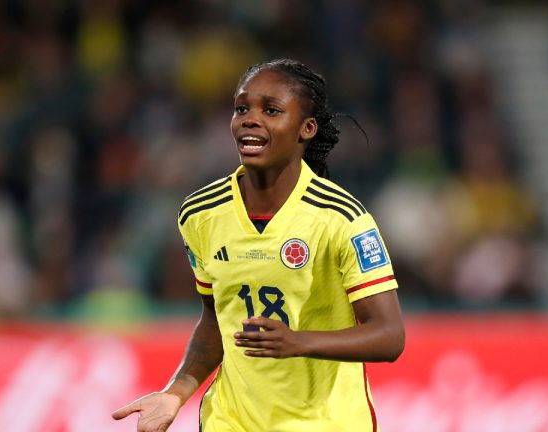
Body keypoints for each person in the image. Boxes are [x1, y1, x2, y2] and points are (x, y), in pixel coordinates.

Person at [112, 58, 405, 432]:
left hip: (324, 423)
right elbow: (216, 320)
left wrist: (298, 342)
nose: (250, 119)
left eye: (271, 110)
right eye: (241, 108)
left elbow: (389, 335)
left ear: (306, 128)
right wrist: (176, 391)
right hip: (231, 422)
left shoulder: (342, 219)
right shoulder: (200, 214)